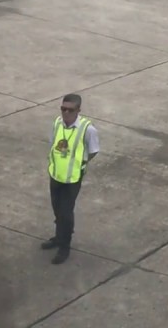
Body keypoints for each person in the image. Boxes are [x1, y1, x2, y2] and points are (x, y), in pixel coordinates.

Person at [41, 94, 99, 264]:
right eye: (63, 109)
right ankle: (58, 237)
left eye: (70, 110)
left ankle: (64, 246)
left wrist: (80, 163)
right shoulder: (57, 123)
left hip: (72, 179)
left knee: (66, 213)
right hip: (55, 175)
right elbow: (53, 143)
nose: (66, 113)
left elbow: (93, 150)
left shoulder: (87, 129)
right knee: (57, 209)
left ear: (78, 110)